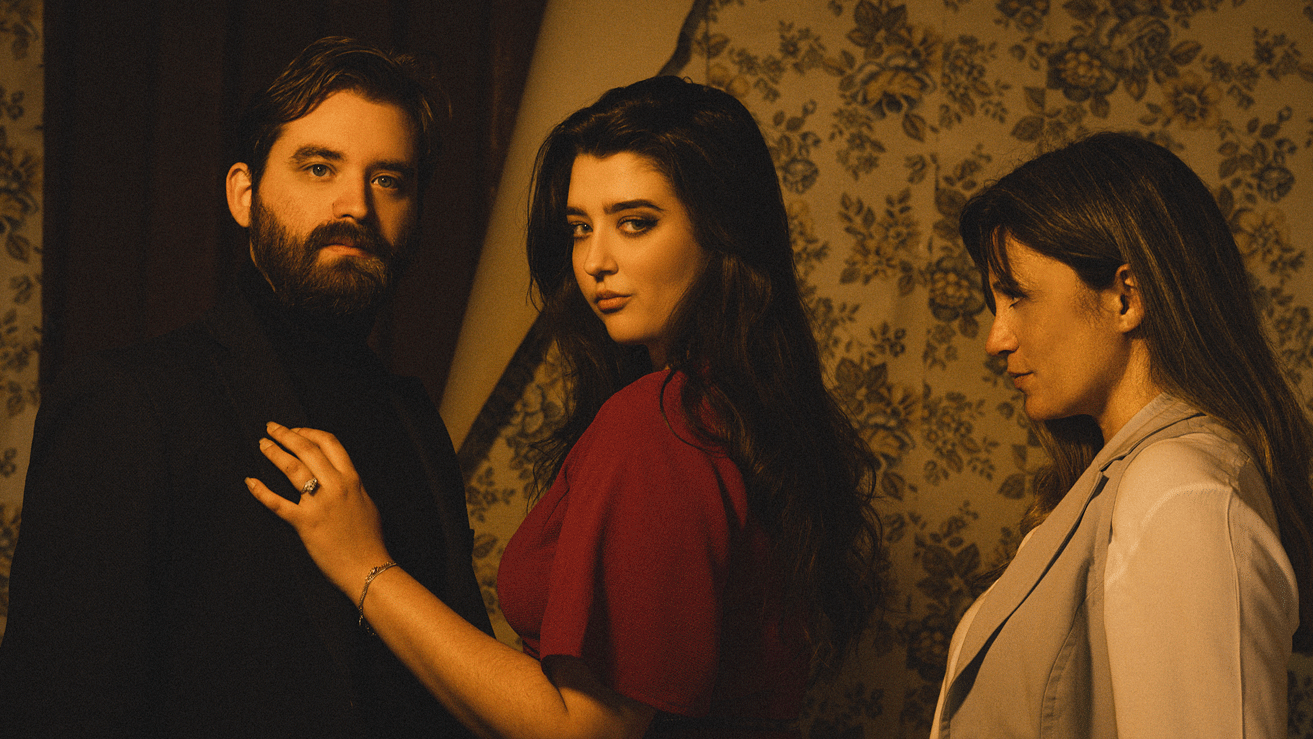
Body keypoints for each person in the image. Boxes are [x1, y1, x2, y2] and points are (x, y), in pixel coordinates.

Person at [246, 75, 885, 739]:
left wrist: (364, 565)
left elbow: (584, 728)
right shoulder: (731, 407)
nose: (595, 261)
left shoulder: (660, 422)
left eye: (635, 224)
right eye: (581, 228)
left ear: (722, 232)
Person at [0, 37, 491, 738]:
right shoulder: (128, 403)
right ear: (244, 194)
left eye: (388, 179)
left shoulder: (412, 418)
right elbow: (57, 709)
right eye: (319, 167)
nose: (355, 204)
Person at [932, 131, 1312, 737]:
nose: (995, 339)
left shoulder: (1179, 494)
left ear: (1125, 298)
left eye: (1016, 297)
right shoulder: (1125, 484)